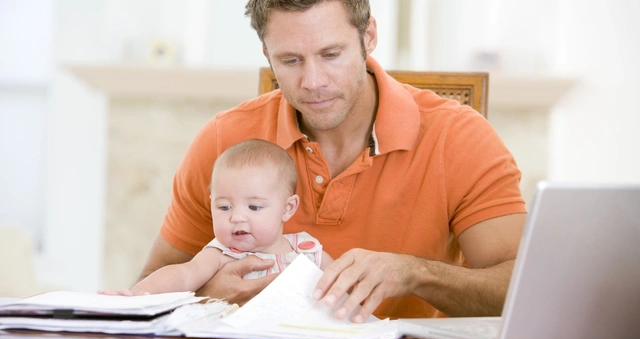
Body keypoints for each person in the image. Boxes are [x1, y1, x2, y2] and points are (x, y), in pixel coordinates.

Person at [136, 0, 527, 322]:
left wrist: (414, 273)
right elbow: (147, 286)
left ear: (368, 36)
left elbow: (523, 291)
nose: (313, 82)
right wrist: (208, 295)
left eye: (331, 54)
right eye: (290, 60)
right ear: (266, 53)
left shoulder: (457, 137)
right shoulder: (224, 139)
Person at [103, 139, 333, 296]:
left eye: (253, 207)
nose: (237, 217)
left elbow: (342, 284)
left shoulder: (309, 251)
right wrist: (139, 295)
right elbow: (182, 275)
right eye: (224, 207)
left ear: (287, 208)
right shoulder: (221, 254)